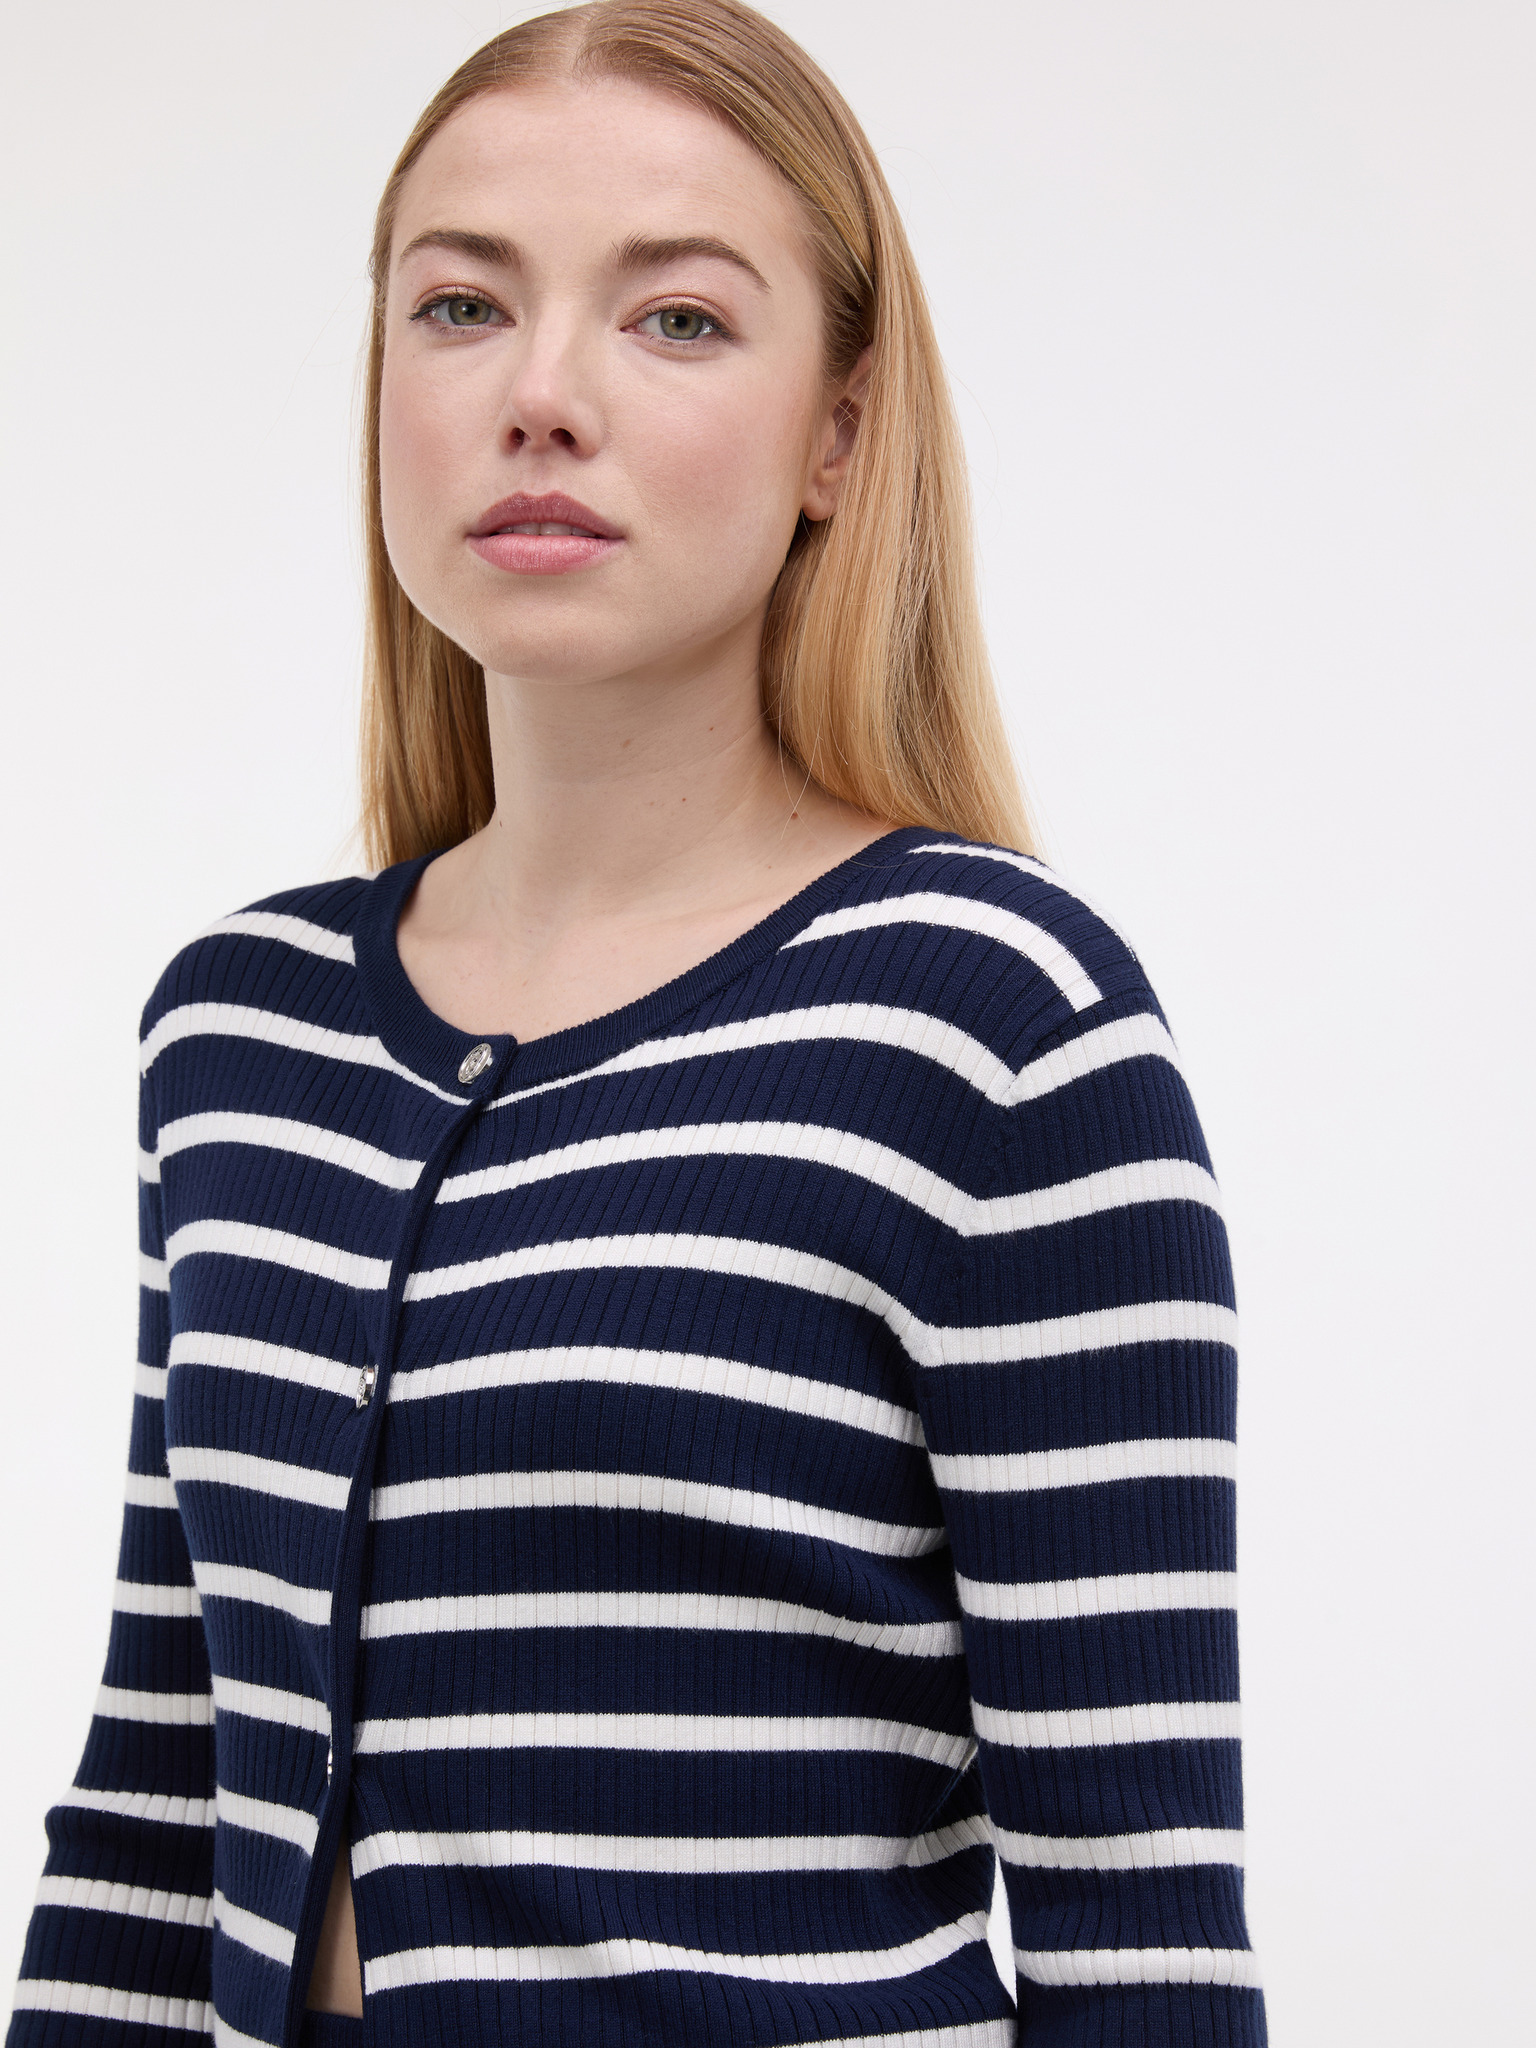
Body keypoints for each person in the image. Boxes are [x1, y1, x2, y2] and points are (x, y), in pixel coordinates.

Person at [7, 3, 1267, 2044]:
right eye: (461, 307)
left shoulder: (994, 1026)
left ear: (839, 433)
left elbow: (1138, 1917)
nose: (542, 396)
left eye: (676, 319)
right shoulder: (237, 1034)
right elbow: (157, 1801)